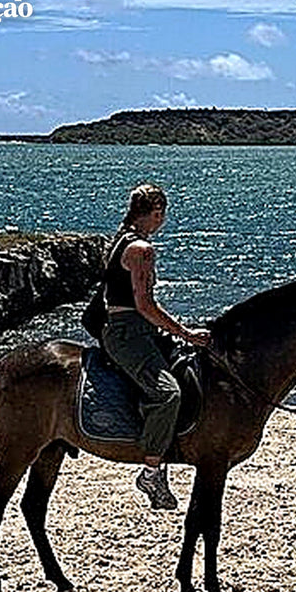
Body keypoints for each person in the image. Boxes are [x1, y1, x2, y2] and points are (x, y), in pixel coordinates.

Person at [101, 183, 211, 510]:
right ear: (155, 212)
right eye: (161, 215)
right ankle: (150, 471)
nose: (162, 221)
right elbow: (145, 305)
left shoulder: (121, 237)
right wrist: (186, 332)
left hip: (138, 328)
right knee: (168, 394)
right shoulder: (141, 250)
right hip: (128, 333)